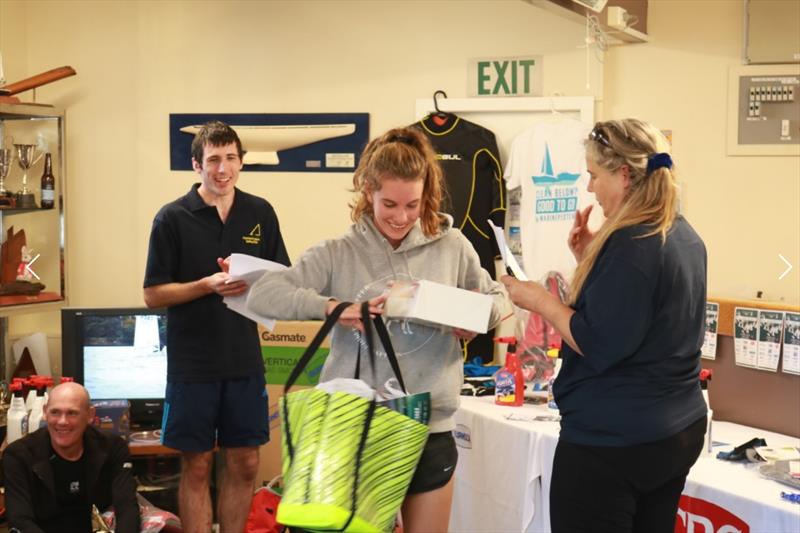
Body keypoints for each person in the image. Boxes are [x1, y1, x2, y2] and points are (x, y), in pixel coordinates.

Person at [247, 126, 508, 532]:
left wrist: (474, 318)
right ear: (367, 190)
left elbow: (498, 300)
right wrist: (333, 308)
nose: (401, 218)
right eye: (389, 203)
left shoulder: (453, 245)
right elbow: (264, 295)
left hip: (429, 425)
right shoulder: (337, 252)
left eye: (412, 205)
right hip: (353, 425)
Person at [502, 118, 708, 533]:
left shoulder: (633, 244)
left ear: (624, 174)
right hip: (674, 430)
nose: (590, 188)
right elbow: (637, 313)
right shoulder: (681, 235)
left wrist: (541, 302)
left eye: (595, 176)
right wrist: (590, 259)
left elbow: (599, 342)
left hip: (616, 440)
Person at [143, 120, 290, 533]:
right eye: (212, 160)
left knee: (244, 462)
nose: (222, 169)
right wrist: (206, 285)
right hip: (193, 364)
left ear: (241, 162)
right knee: (198, 464)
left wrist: (259, 284)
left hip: (243, 360)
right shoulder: (171, 218)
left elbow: (282, 276)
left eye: (229, 159)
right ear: (196, 165)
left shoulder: (260, 211)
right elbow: (153, 294)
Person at [2, 382, 140, 533]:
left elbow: (127, 507)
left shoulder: (113, 448)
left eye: (72, 413)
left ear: (90, 415)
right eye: (55, 412)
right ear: (45, 412)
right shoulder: (18, 456)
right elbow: (20, 520)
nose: (62, 421)